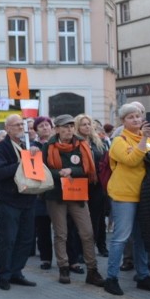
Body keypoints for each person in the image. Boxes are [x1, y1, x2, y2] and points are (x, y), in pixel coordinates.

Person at [104, 103, 150, 295]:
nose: (136, 119)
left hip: (145, 196)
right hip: (124, 195)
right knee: (121, 238)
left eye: (138, 116)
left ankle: (143, 276)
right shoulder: (120, 140)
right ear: (123, 121)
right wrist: (144, 143)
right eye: (130, 117)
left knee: (142, 237)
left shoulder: (149, 140)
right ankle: (111, 278)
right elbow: (132, 160)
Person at [41, 115, 105, 287]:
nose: (69, 129)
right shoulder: (49, 146)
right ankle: (63, 267)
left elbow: (87, 168)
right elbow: (43, 169)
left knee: (87, 232)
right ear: (57, 129)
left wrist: (71, 170)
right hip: (56, 195)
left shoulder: (81, 144)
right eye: (64, 126)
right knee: (61, 233)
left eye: (70, 126)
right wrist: (60, 173)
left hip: (77, 194)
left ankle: (92, 270)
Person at [0, 114, 39, 290]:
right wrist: (22, 163)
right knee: (8, 240)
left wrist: (33, 157)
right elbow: (0, 173)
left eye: (22, 124)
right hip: (10, 200)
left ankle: (16, 272)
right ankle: (3, 275)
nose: (21, 127)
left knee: (26, 240)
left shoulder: (27, 145)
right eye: (17, 125)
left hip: (28, 199)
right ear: (8, 129)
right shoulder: (1, 149)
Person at [76, 113, 109, 258]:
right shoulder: (74, 142)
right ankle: (83, 249)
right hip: (80, 183)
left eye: (89, 124)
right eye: (83, 124)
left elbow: (104, 160)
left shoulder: (98, 142)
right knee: (82, 218)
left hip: (97, 184)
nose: (87, 126)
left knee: (99, 217)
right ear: (78, 127)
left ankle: (101, 245)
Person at [32, 116, 55, 270]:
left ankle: (65, 258)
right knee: (43, 228)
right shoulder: (32, 146)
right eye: (41, 126)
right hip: (40, 193)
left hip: (56, 190)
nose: (45, 128)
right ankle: (45, 258)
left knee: (61, 228)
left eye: (47, 125)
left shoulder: (57, 144)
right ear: (36, 130)